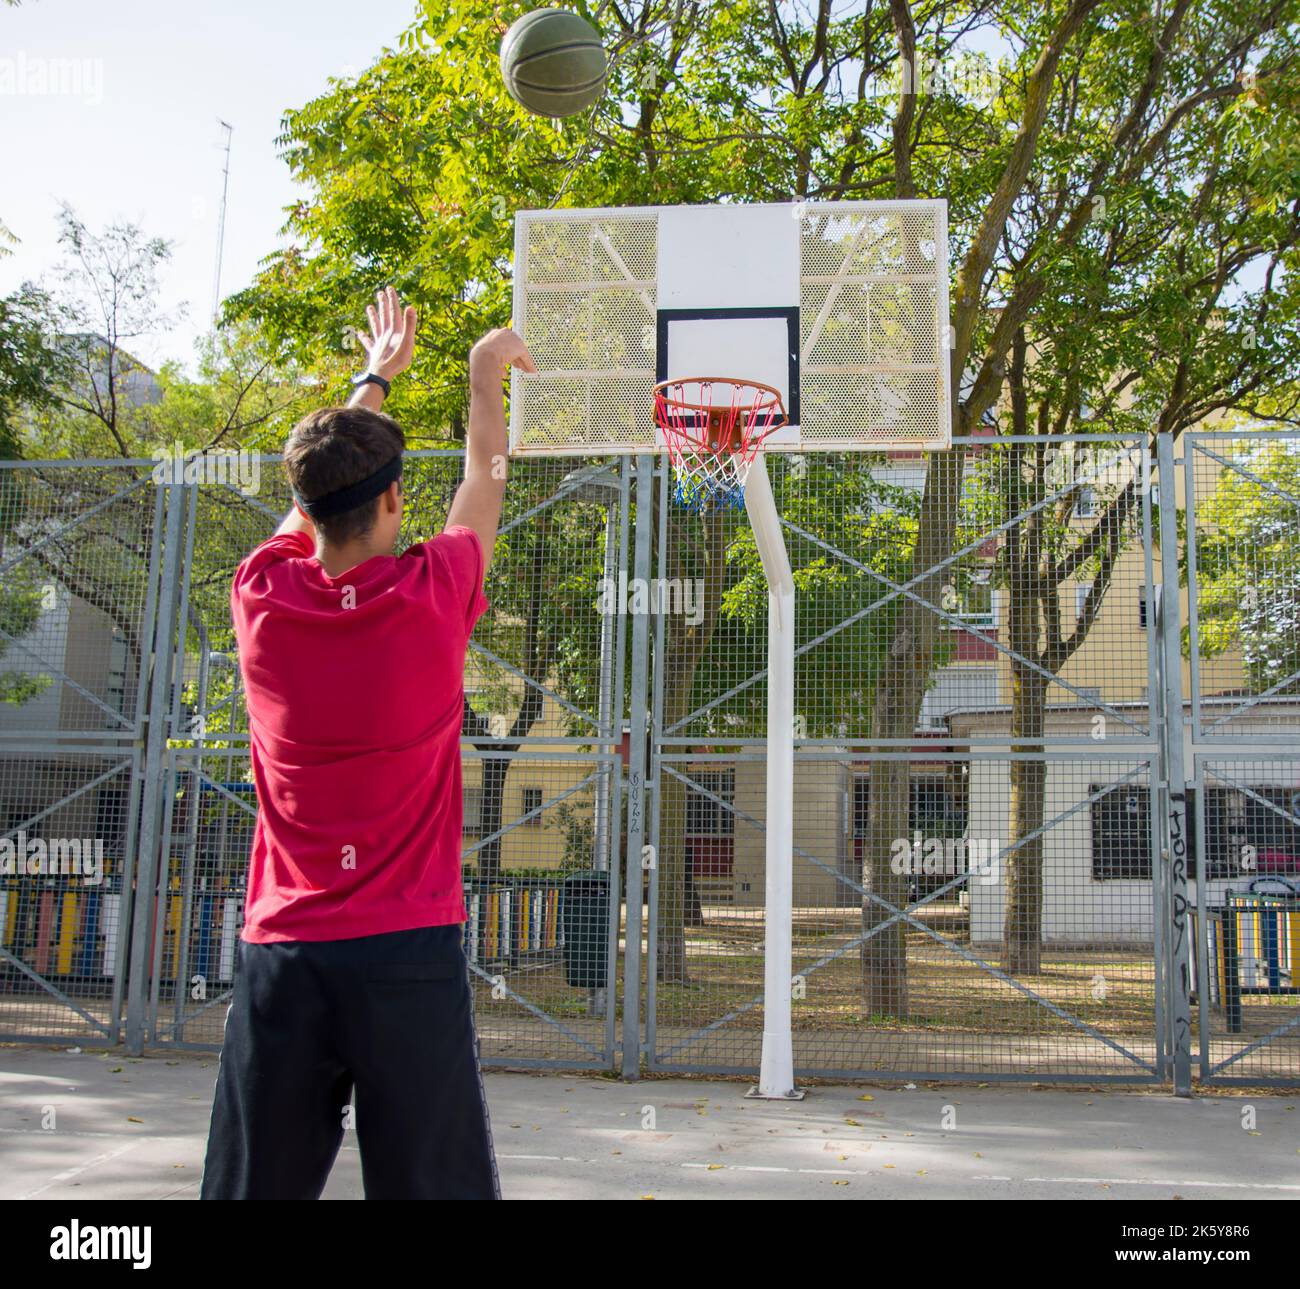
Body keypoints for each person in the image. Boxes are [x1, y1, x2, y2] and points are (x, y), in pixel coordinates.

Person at [199, 287, 536, 1200]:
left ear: (306, 518)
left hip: (287, 955)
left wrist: (374, 379)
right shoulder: (434, 593)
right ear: (395, 500)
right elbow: (485, 481)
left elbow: (310, 508)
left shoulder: (261, 596)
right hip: (406, 953)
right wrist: (482, 378)